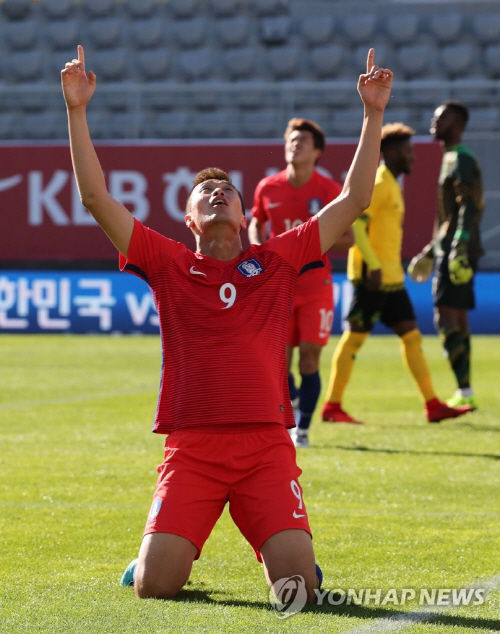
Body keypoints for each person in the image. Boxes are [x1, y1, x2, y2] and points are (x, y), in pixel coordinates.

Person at [61, 44, 393, 601]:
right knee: (153, 589)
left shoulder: (280, 258)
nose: (217, 193)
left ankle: (291, 557)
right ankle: (157, 555)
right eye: (204, 193)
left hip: (265, 446)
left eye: (227, 192)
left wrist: (373, 114)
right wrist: (76, 110)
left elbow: (357, 197)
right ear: (189, 219)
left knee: (298, 594)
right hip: (192, 447)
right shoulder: (168, 263)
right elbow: (95, 197)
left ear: (245, 216)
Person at [321, 122, 473, 425]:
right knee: (353, 340)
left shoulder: (391, 182)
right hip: (372, 276)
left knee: (412, 337)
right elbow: (358, 227)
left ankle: (432, 404)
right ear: (390, 152)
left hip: (391, 278)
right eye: (407, 151)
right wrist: (373, 266)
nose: (412, 156)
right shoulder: (378, 183)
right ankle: (332, 407)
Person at [248, 118, 352, 449]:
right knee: (277, 360)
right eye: (291, 140)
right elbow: (256, 222)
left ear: (317, 151)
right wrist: (258, 248)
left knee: (309, 359)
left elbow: (348, 238)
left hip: (315, 285)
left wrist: (309, 239)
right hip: (279, 285)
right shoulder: (268, 187)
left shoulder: (329, 191)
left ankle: (303, 430)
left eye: (303, 141)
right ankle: (291, 406)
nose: (295, 144)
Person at [408, 102, 484, 411]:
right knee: (459, 318)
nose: (434, 120)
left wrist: (458, 246)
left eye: (442, 117)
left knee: (446, 316)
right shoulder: (451, 157)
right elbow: (450, 215)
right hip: (453, 246)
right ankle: (465, 390)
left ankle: (464, 389)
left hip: (458, 250)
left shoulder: (461, 159)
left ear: (457, 123)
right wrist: (431, 248)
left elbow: (469, 205)